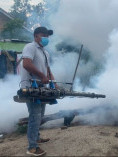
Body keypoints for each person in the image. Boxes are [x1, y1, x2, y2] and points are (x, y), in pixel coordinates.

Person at [20, 26, 57, 156]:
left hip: (42, 88)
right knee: (35, 116)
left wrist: (55, 84)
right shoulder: (30, 47)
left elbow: (48, 71)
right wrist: (42, 76)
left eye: (47, 36)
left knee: (40, 115)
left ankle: (36, 137)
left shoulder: (45, 52)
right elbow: (27, 64)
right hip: (31, 87)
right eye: (43, 35)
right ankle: (32, 147)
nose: (46, 38)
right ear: (36, 36)